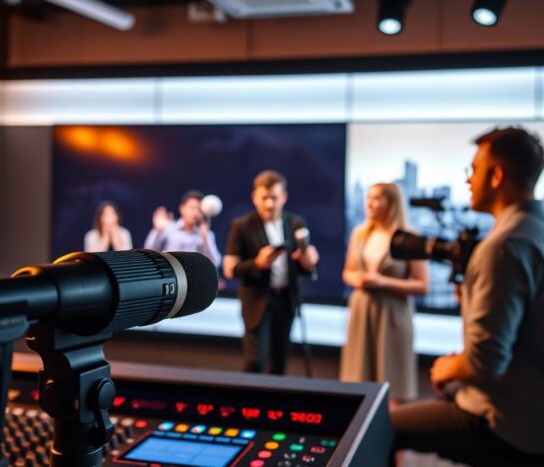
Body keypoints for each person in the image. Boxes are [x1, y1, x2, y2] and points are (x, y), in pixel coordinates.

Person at [391, 126, 544, 460]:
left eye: (474, 170)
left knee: (380, 426)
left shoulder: (502, 247)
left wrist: (446, 367)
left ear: (497, 175)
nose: (468, 180)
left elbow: (482, 365)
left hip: (514, 426)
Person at [340, 182, 430, 410]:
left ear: (392, 204)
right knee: (358, 381)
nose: (369, 203)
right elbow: (348, 271)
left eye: (376, 198)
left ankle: (395, 442)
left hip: (393, 316)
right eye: (368, 197)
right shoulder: (359, 234)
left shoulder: (410, 238)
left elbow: (422, 286)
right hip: (362, 312)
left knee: (394, 383)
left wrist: (382, 282)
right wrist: (357, 279)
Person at [224, 170, 319, 375]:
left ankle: (274, 408)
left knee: (279, 363)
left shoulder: (295, 223)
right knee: (255, 362)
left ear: (283, 197)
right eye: (264, 198)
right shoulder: (242, 226)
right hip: (256, 302)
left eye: (274, 198)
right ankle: (250, 407)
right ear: (254, 198)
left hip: (285, 300)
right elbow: (230, 269)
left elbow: (304, 266)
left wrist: (308, 261)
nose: (269, 204)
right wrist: (257, 263)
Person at [145, 190, 221, 267]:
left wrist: (205, 239)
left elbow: (215, 263)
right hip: (168, 273)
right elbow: (148, 252)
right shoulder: (167, 228)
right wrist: (157, 231)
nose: (196, 213)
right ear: (182, 208)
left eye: (200, 210)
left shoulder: (206, 235)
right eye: (192, 208)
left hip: (191, 276)